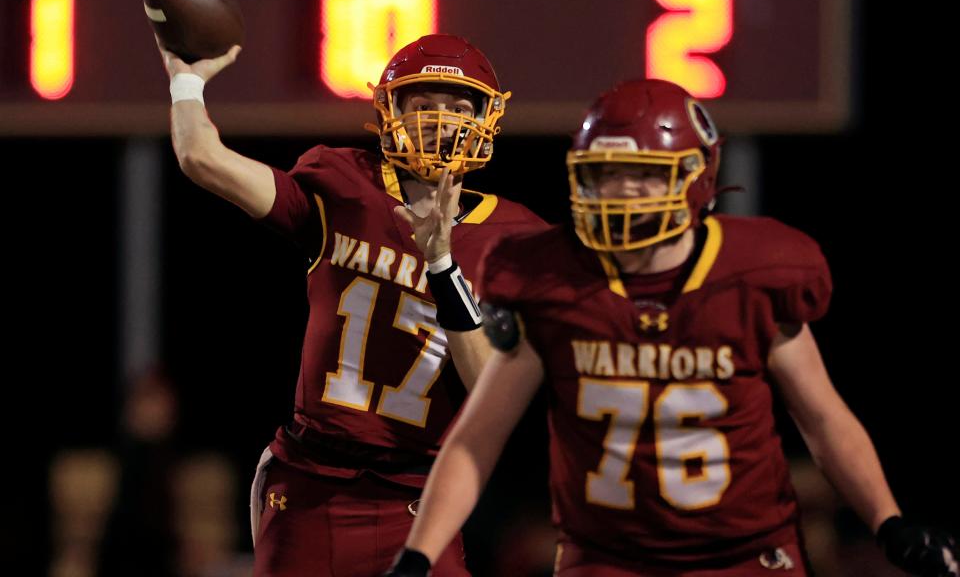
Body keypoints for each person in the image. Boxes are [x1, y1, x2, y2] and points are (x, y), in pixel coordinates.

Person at [386, 79, 959, 576]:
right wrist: (417, 557)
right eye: (605, 174)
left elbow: (823, 418)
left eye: (640, 174)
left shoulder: (757, 274)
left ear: (695, 177)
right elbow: (477, 438)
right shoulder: (549, 280)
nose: (619, 191)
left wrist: (889, 522)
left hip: (743, 552)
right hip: (607, 556)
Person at [155, 32, 543, 576]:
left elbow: (488, 388)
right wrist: (185, 79)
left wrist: (442, 265)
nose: (440, 120)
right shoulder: (343, 184)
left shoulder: (517, 239)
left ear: (485, 120)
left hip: (419, 496)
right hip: (313, 483)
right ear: (390, 113)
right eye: (423, 104)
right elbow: (202, 157)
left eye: (458, 107)